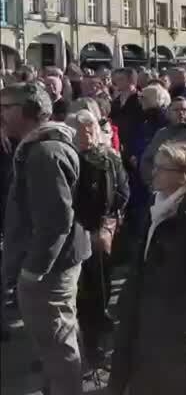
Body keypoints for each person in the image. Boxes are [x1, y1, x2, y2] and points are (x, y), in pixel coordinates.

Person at [108, 143, 186, 395]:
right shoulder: (158, 206)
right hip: (146, 322)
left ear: (184, 175)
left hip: (178, 337)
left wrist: (172, 320)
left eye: (161, 168)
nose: (153, 173)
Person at [1, 82, 91, 395]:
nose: (1, 115)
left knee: (58, 341)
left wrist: (32, 270)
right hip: (56, 261)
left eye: (6, 107)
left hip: (50, 268)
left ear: (28, 111)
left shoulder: (44, 152)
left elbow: (55, 222)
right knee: (60, 335)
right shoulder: (42, 145)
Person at [66, 109, 129, 370]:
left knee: (102, 280)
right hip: (76, 230)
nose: (89, 135)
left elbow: (123, 189)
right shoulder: (69, 158)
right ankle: (85, 338)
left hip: (104, 228)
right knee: (81, 288)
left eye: (92, 129)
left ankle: (99, 329)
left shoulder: (109, 157)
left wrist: (112, 218)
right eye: (83, 131)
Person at [139, 96, 186, 186]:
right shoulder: (161, 134)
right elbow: (147, 159)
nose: (181, 113)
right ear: (168, 114)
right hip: (161, 187)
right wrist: (152, 181)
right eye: (176, 110)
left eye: (184, 110)